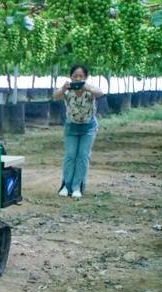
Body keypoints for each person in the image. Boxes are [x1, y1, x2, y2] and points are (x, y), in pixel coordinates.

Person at [53, 64, 104, 199]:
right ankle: (66, 186)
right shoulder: (68, 90)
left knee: (83, 156)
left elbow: (100, 93)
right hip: (71, 127)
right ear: (71, 77)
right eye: (75, 76)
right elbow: (55, 96)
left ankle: (77, 187)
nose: (78, 78)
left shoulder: (90, 90)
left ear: (86, 77)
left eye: (81, 76)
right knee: (70, 156)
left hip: (88, 128)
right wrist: (63, 88)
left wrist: (88, 87)